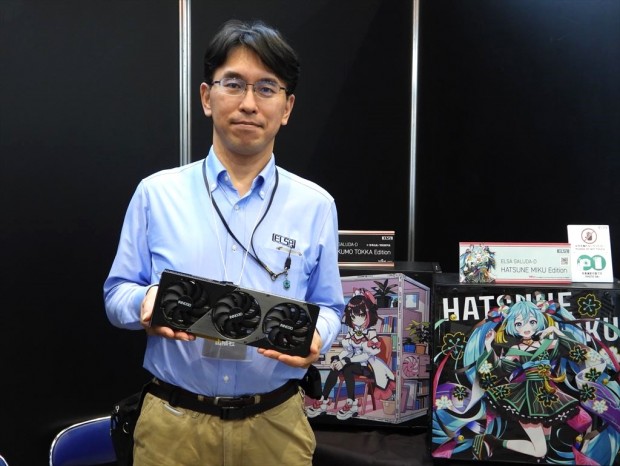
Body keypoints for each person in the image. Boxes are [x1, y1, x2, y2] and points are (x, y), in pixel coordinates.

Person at [104, 19, 344, 466]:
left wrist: (319, 334)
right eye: (233, 84)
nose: (249, 103)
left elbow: (330, 306)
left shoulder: (316, 206)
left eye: (267, 88)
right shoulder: (157, 194)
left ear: (287, 107)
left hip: (275, 426)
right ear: (206, 97)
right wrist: (145, 302)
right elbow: (116, 295)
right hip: (173, 426)